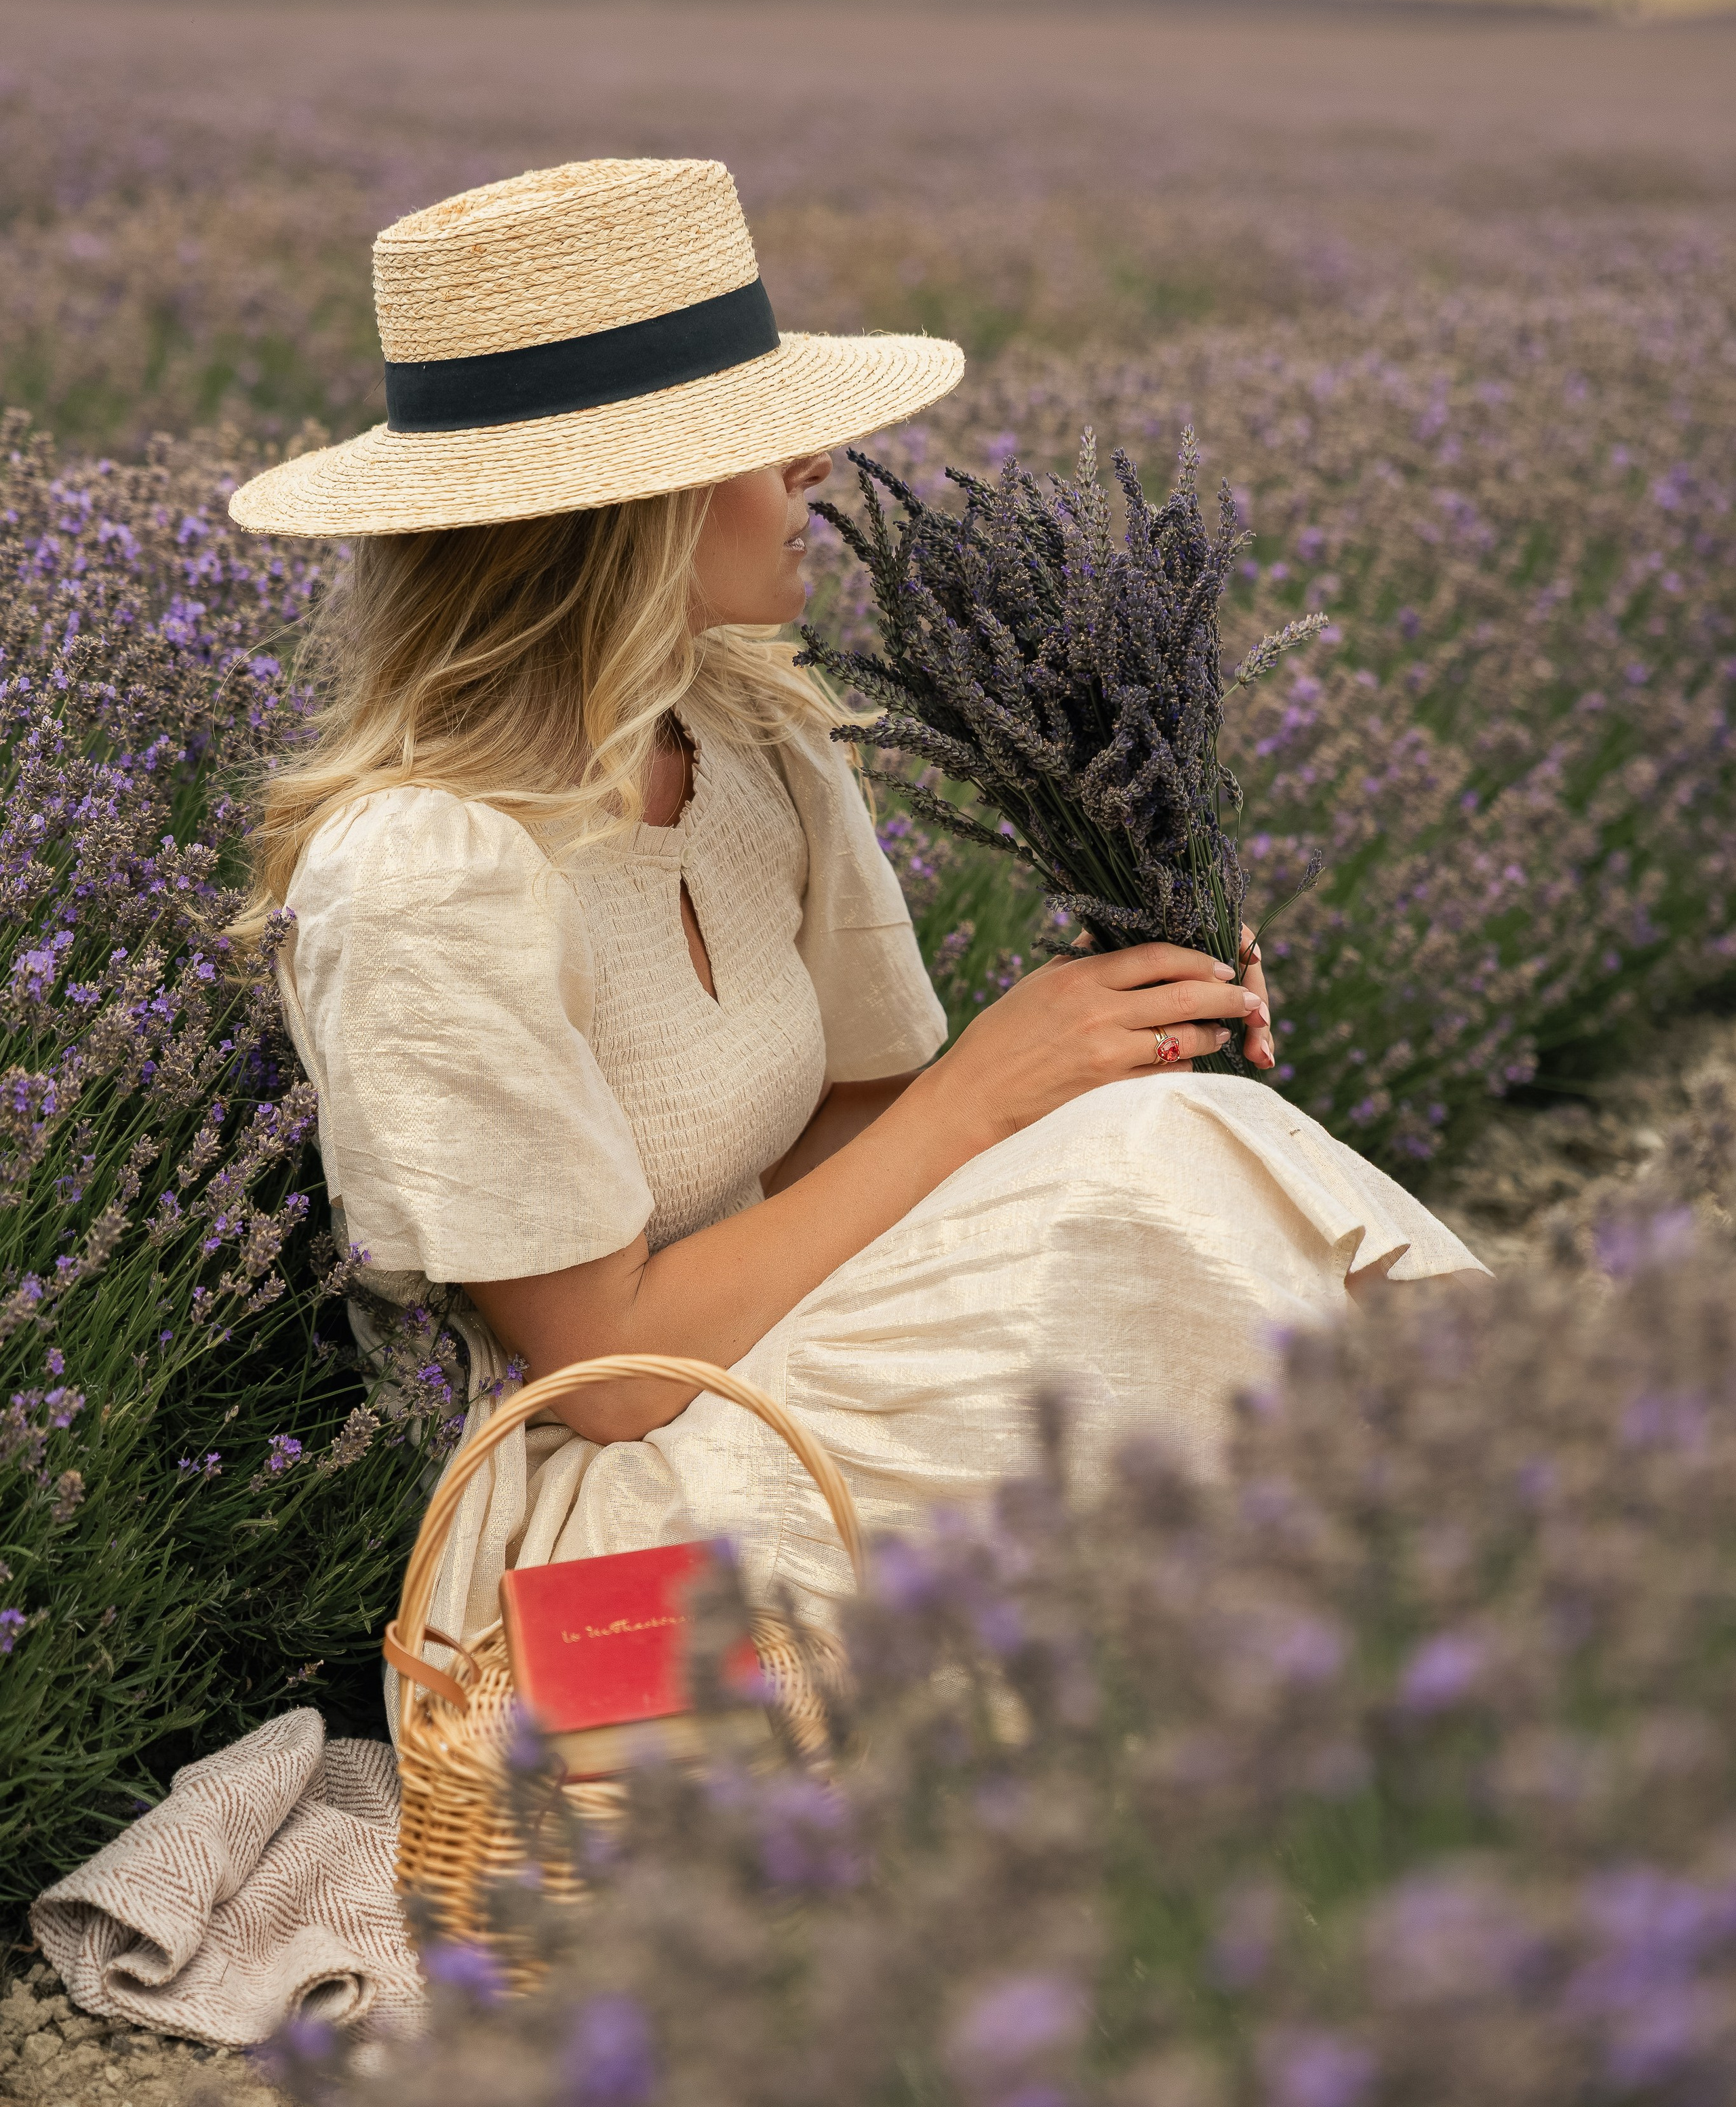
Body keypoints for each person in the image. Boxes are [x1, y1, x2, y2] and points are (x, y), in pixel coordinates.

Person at [229, 156, 1486, 1710]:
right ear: (625, 512)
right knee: (1160, 1198)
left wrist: (1111, 1055)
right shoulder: (433, 872)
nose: (818, 466)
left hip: (786, 1373)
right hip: (593, 1556)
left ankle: (1458, 1577)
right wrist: (990, 1093)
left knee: (1173, 1139)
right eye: (756, 440)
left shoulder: (751, 736)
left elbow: (865, 1156)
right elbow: (605, 1378)